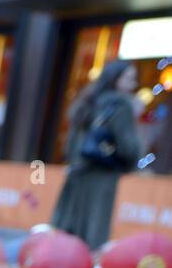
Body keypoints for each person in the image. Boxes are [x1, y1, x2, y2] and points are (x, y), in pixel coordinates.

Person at [53, 58, 143, 250]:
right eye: (129, 79)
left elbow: (70, 146)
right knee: (92, 238)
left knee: (65, 236)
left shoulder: (86, 103)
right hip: (102, 177)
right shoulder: (122, 107)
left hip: (76, 175)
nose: (133, 84)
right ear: (116, 79)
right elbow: (129, 148)